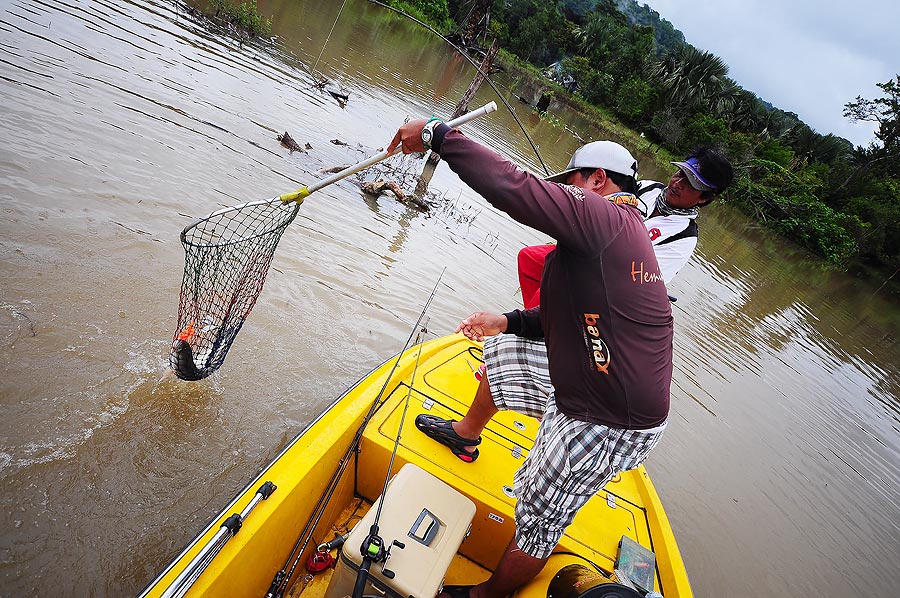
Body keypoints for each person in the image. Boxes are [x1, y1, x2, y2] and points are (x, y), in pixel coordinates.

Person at [387, 123, 673, 598]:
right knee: (503, 350)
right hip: (594, 374)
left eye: (571, 185)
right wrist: (508, 320)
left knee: (540, 512)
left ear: (598, 180)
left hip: (608, 418)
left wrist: (438, 135)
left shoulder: (608, 221)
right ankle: (465, 435)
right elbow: (570, 312)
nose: (565, 195)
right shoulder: (620, 234)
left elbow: (515, 188)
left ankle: (487, 595)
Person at [516, 146, 735, 308]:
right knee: (530, 259)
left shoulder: (684, 236)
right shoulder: (648, 188)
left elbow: (642, 280)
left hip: (610, 285)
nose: (677, 184)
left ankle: (534, 329)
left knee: (554, 285)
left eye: (690, 184)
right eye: (680, 174)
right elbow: (604, 204)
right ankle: (538, 325)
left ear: (704, 199)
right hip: (586, 253)